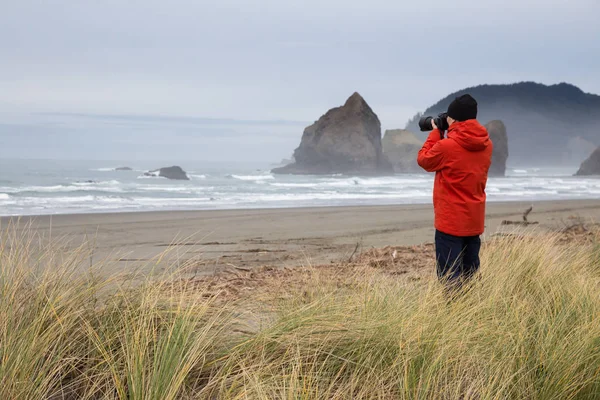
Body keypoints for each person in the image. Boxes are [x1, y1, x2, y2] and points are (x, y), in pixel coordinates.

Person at [417, 94, 493, 289]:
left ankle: (454, 316)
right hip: (474, 220)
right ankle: (473, 313)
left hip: (450, 222)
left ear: (454, 119)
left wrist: (436, 132)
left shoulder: (447, 146)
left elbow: (424, 160)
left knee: (449, 276)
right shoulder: (486, 145)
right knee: (470, 275)